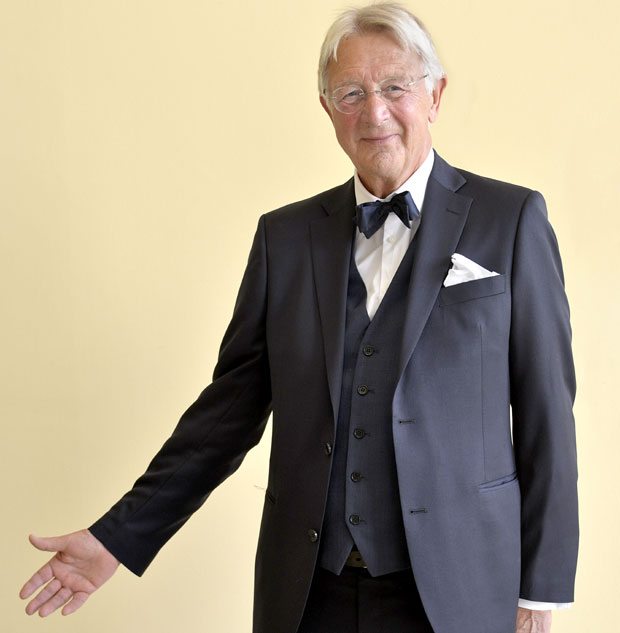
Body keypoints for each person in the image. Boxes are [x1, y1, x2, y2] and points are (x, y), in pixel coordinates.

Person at [19, 3, 578, 633]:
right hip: (311, 593)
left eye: (396, 87)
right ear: (327, 110)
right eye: (351, 93)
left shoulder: (511, 220)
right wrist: (117, 538)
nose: (375, 112)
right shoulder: (284, 239)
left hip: (463, 591)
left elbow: (547, 416)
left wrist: (541, 590)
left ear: (435, 95)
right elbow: (225, 418)